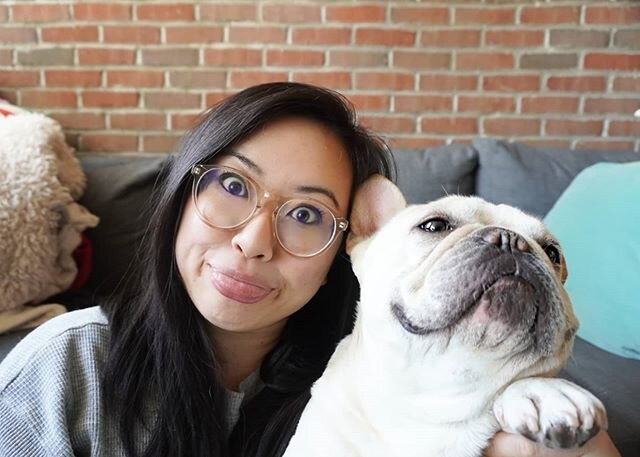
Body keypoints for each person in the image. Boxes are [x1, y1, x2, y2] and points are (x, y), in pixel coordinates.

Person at [0, 82, 621, 457]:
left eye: (306, 213)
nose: (252, 240)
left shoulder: (374, 373)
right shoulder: (65, 368)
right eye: (232, 185)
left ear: (347, 246)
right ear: (178, 194)